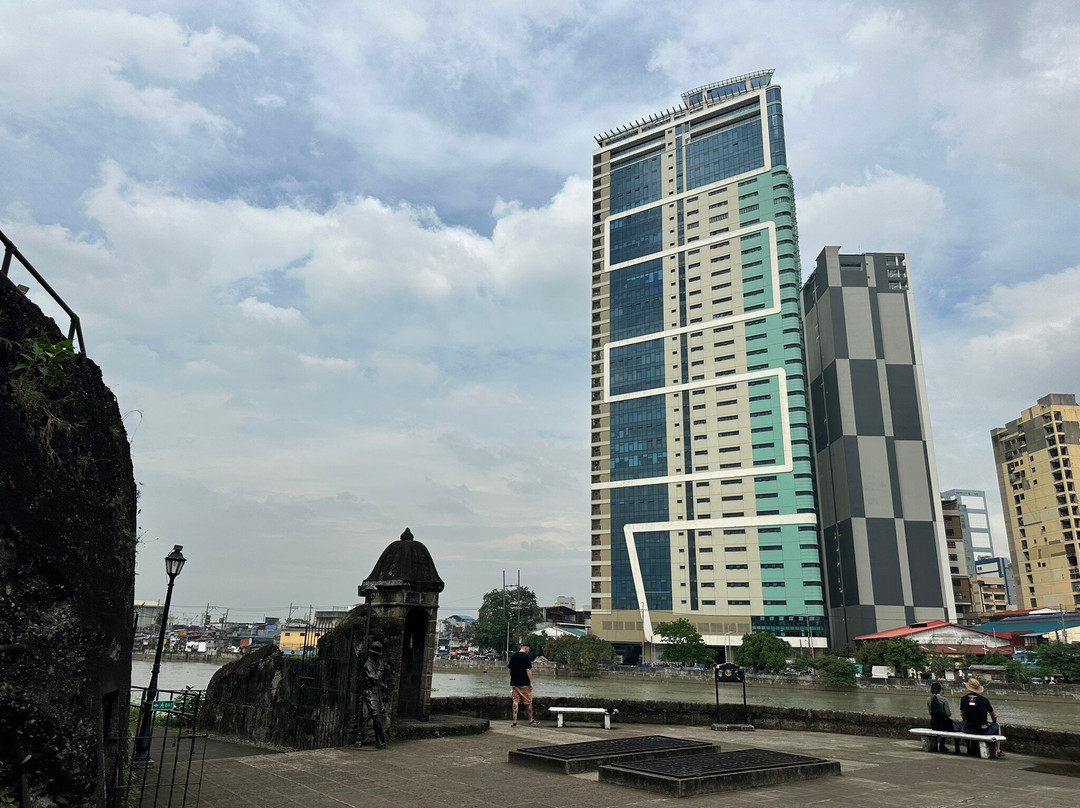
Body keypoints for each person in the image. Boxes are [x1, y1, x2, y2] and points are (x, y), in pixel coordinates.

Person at [959, 677, 1003, 758]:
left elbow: (962, 714)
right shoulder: (984, 700)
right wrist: (994, 721)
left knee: (964, 724)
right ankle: (998, 750)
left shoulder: (963, 699)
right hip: (983, 729)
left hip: (969, 728)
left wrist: (966, 720)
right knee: (997, 726)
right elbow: (993, 716)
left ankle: (969, 747)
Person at [362, 640, 388, 749]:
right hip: (370, 693)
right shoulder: (368, 665)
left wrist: (382, 685)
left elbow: (377, 681)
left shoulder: (375, 663)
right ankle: (382, 738)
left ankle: (379, 740)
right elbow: (375, 678)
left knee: (378, 717)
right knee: (376, 716)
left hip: (376, 692)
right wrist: (381, 669)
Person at [507, 643, 539, 727]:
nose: (529, 651)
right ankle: (531, 720)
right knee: (528, 702)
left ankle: (514, 721)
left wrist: (512, 678)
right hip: (524, 683)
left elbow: (510, 669)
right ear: (526, 648)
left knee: (515, 701)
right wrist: (531, 682)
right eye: (529, 649)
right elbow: (528, 670)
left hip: (514, 683)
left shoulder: (514, 656)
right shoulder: (526, 657)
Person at [927, 681, 953, 752]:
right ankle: (942, 744)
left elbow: (930, 712)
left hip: (933, 724)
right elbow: (948, 714)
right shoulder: (944, 700)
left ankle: (935, 745)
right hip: (944, 724)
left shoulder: (929, 699)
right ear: (939, 690)